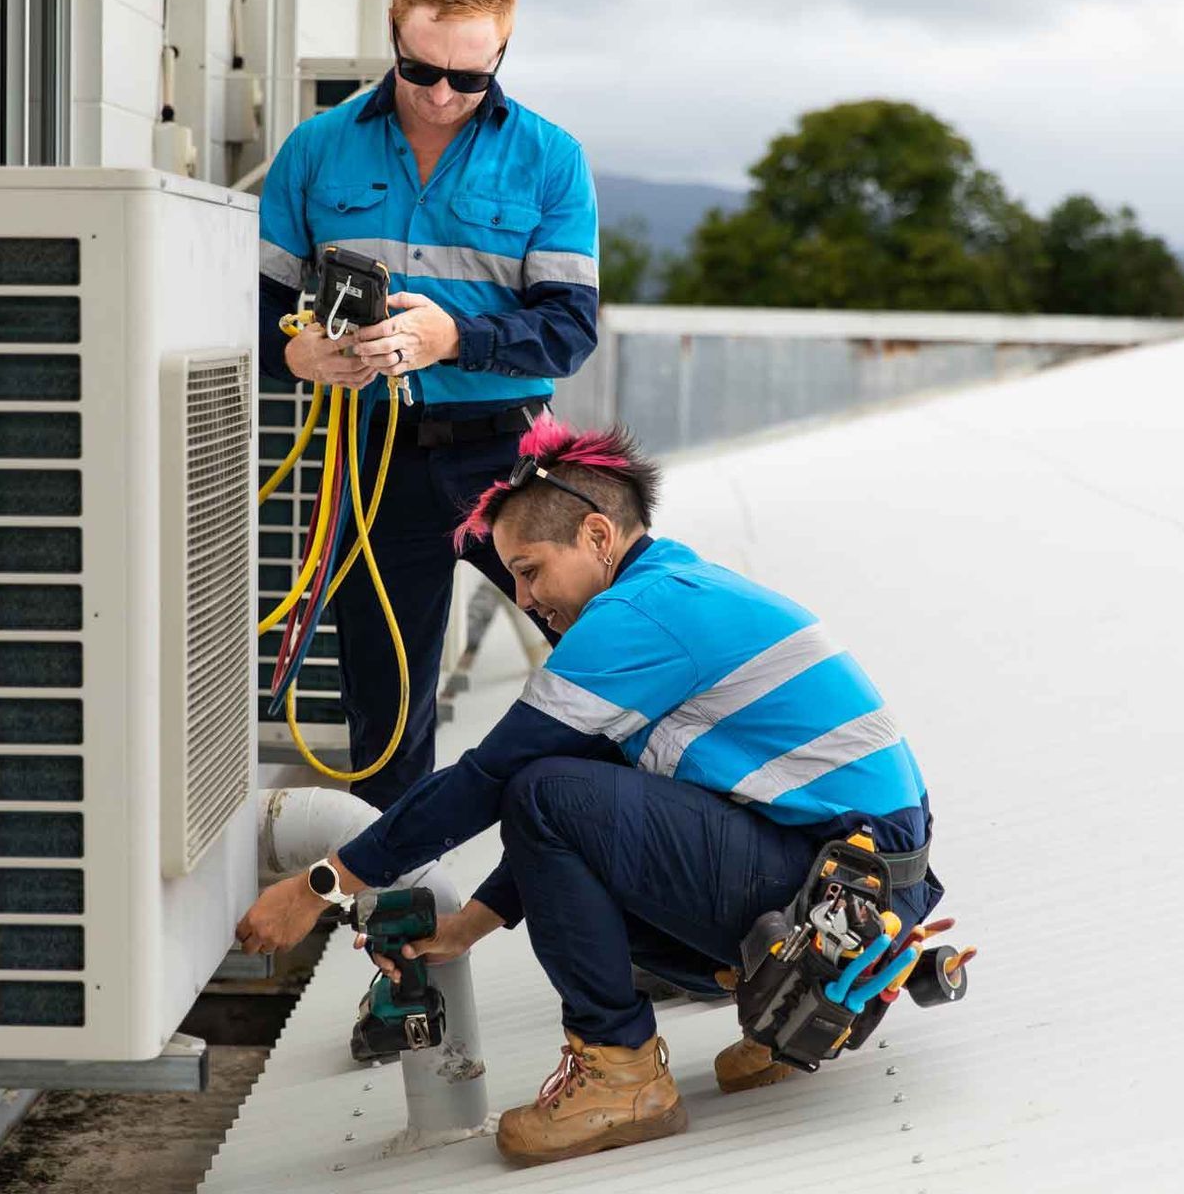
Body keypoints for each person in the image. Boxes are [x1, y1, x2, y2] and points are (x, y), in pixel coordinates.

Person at [237, 415, 944, 1167]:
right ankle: (779, 1011)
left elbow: (495, 782)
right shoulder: (674, 587)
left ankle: (622, 1070)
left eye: (532, 569)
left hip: (841, 893)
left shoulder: (636, 614)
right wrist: (466, 928)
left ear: (600, 537)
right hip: (859, 891)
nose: (524, 596)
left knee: (540, 792)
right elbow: (595, 816)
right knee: (564, 799)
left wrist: (320, 885)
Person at [257, 0, 599, 809]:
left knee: (607, 660)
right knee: (387, 717)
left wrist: (456, 342)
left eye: (470, 78)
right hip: (370, 461)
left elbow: (568, 329)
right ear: (392, 35)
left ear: (503, 54)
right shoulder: (315, 148)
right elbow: (252, 312)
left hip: (509, 459)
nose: (443, 95)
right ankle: (395, 925)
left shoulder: (551, 158)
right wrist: (294, 351)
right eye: (422, 70)